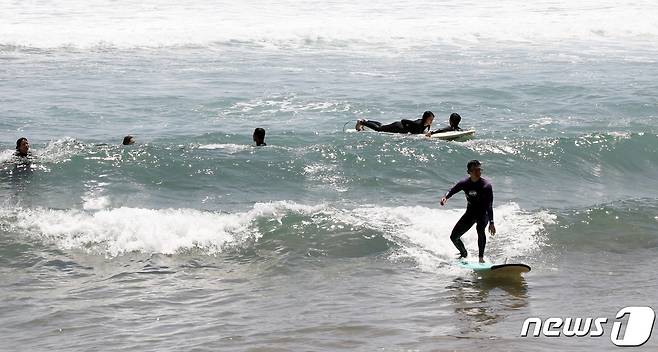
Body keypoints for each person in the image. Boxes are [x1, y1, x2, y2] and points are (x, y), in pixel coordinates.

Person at [440, 160, 496, 263]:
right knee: (454, 237)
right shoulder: (464, 183)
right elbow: (452, 190)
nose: (478, 172)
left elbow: (489, 205)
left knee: (480, 229)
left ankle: (481, 258)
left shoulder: (486, 186)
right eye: (475, 170)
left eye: (479, 169)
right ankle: (463, 253)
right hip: (470, 213)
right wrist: (445, 197)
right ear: (469, 172)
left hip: (483, 214)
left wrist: (492, 222)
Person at [355, 111, 434, 134]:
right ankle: (361, 122)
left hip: (399, 127)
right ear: (425, 118)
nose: (431, 121)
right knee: (379, 129)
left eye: (432, 119)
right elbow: (403, 121)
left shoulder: (426, 124)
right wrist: (407, 130)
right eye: (430, 119)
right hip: (397, 127)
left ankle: (367, 121)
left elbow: (421, 130)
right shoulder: (418, 123)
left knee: (382, 125)